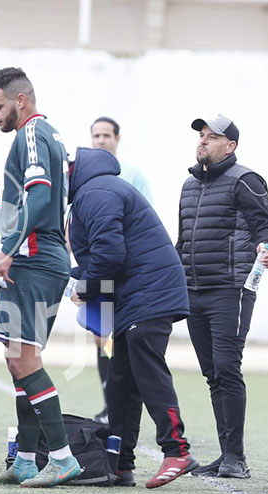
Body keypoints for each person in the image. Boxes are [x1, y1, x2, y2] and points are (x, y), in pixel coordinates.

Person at [68, 146, 196, 489]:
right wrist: (75, 273)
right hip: (134, 296)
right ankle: (120, 463)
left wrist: (86, 287)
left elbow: (109, 254)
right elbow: (106, 251)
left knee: (145, 368)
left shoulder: (95, 191)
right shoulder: (94, 190)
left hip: (149, 294)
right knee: (120, 379)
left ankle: (176, 449)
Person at [0, 67, 81, 488]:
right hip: (37, 259)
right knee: (16, 359)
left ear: (20, 101)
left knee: (25, 359)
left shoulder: (31, 134)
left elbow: (40, 196)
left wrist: (7, 251)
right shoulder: (51, 135)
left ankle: (61, 457)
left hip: (35, 260)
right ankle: (25, 458)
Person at [177, 114, 268, 479]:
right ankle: (226, 455)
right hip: (194, 292)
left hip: (230, 290)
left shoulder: (245, 180)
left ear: (230, 146)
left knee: (227, 368)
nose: (202, 140)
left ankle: (236, 458)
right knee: (212, 374)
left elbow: (264, 225)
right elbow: (182, 242)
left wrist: (266, 247)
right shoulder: (189, 185)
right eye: (201, 135)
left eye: (211, 136)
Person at [87, 116, 154, 424]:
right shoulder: (84, 178)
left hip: (126, 273)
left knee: (125, 339)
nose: (100, 141)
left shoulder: (133, 174)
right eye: (96, 136)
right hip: (99, 271)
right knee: (101, 338)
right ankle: (107, 404)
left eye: (106, 135)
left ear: (117, 139)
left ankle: (129, 406)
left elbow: (145, 219)